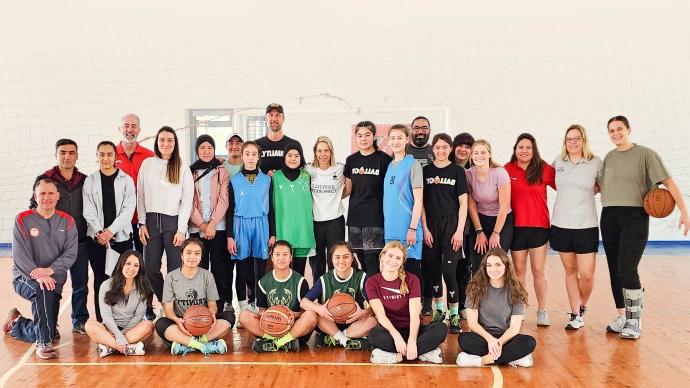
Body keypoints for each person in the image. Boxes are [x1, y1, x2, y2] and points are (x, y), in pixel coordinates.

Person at [599, 115, 689, 339]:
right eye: (611, 130)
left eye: (619, 129)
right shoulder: (609, 157)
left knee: (627, 267)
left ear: (629, 129)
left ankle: (635, 321)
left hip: (635, 216)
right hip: (609, 215)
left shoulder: (646, 154)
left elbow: (668, 182)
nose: (615, 133)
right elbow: (602, 187)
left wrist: (684, 212)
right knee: (614, 269)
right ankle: (623, 317)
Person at [4, 178, 77, 359]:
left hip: (54, 279)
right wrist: (38, 275)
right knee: (41, 288)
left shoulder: (67, 221)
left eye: (50, 193)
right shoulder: (22, 219)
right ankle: (43, 344)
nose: (46, 197)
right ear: (35, 196)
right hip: (25, 277)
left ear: (58, 196)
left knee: (50, 331)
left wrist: (50, 270)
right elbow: (20, 256)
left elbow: (70, 254)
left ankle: (16, 324)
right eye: (42, 193)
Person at [137, 126, 194, 313]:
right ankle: (165, 302)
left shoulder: (182, 166)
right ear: (157, 142)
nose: (166, 143)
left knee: (174, 271)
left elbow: (187, 200)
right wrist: (142, 223)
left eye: (170, 140)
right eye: (162, 139)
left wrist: (181, 229)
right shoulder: (147, 164)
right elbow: (141, 196)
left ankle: (174, 309)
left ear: (175, 143)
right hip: (151, 223)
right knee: (150, 268)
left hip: (173, 223)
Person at [35, 139, 89, 335]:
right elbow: (34, 208)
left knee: (80, 283)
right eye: (63, 152)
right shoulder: (45, 178)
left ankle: (80, 320)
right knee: (54, 285)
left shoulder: (84, 180)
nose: (67, 156)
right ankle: (52, 323)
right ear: (56, 154)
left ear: (77, 155)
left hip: (79, 241)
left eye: (71, 152)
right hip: (52, 245)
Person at [551, 125, 602, 330]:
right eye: (569, 139)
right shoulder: (558, 162)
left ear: (584, 140)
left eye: (577, 138)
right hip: (561, 225)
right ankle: (575, 313)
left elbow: (603, 186)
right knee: (570, 271)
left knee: (587, 274)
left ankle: (583, 305)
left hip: (586, 225)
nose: (572, 142)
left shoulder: (595, 162)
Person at [366, 241, 447, 364]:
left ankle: (396, 357)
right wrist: (396, 337)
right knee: (373, 335)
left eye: (398, 258)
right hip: (390, 331)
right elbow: (380, 315)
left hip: (413, 330)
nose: (393, 261)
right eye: (390, 256)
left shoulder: (412, 279)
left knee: (441, 328)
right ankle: (423, 353)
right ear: (382, 256)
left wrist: (412, 341)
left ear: (402, 261)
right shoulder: (372, 282)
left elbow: (414, 315)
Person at [504, 133, 556, 326]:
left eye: (528, 147)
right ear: (515, 150)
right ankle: (520, 308)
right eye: (520, 147)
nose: (524, 150)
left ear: (534, 150)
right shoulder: (507, 170)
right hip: (516, 227)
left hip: (539, 227)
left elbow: (567, 186)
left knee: (538, 270)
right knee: (518, 270)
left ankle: (542, 310)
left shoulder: (544, 169)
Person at [83, 141, 136, 322]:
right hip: (97, 241)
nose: (105, 158)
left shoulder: (126, 180)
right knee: (101, 280)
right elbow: (88, 211)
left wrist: (110, 231)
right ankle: (102, 320)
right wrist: (100, 233)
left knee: (122, 280)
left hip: (121, 240)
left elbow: (128, 211)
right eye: (102, 154)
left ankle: (121, 319)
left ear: (115, 157)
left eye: (109, 154)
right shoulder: (90, 181)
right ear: (97, 156)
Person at [456, 248, 536, 368]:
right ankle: (511, 358)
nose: (493, 269)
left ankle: (481, 360)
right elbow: (472, 323)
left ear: (506, 266)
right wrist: (490, 340)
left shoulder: (516, 290)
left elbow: (514, 327)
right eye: (489, 265)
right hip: (483, 337)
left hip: (506, 338)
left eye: (498, 265)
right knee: (464, 339)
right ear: (485, 267)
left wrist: (498, 343)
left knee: (529, 342)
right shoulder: (475, 287)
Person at [421, 133, 468, 333]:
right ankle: (439, 311)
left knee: (449, 273)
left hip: (451, 226)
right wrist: (424, 227)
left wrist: (459, 231)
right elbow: (420, 202)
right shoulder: (425, 171)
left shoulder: (458, 171)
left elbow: (464, 203)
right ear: (433, 149)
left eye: (444, 147)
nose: (441, 151)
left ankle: (454, 315)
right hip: (431, 226)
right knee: (433, 273)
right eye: (437, 147)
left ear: (450, 149)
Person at [154, 238, 232, 355]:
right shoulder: (171, 277)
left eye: (197, 253)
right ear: (181, 255)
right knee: (160, 324)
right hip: (181, 325)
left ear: (201, 256)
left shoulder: (207, 276)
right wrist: (177, 321)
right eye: (188, 252)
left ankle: (189, 344)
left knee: (230, 317)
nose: (192, 257)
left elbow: (212, 304)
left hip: (204, 324)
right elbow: (169, 310)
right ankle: (202, 345)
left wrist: (212, 316)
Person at [239, 240, 318, 352]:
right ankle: (277, 341)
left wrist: (291, 315)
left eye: (285, 254)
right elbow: (262, 311)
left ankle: (280, 341)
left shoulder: (300, 281)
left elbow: (304, 312)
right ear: (272, 257)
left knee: (312, 315)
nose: (281, 258)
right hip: (271, 326)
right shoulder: (263, 282)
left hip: (293, 327)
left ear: (291, 258)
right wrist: (273, 315)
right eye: (277, 254)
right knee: (244, 315)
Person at [301, 241, 377, 349]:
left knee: (373, 321)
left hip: (354, 323)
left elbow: (375, 306)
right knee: (316, 311)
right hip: (329, 323)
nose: (341, 261)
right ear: (331, 260)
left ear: (352, 258)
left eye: (346, 257)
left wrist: (363, 313)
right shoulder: (325, 279)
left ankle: (335, 338)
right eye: (337, 257)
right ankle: (346, 340)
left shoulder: (362, 278)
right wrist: (320, 309)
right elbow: (304, 302)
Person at [226, 141, 273, 312]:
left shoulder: (267, 180)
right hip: (240, 224)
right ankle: (244, 307)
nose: (251, 157)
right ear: (243, 156)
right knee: (242, 268)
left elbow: (272, 209)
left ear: (259, 156)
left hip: (261, 223)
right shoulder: (234, 180)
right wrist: (230, 236)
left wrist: (272, 233)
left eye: (254, 154)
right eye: (248, 154)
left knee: (260, 269)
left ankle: (258, 303)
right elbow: (229, 210)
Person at [188, 134, 232, 315]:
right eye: (202, 148)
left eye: (210, 148)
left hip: (218, 228)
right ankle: (200, 308)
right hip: (197, 230)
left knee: (220, 269)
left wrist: (212, 224)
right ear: (197, 151)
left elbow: (224, 198)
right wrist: (203, 226)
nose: (206, 152)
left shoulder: (221, 170)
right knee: (200, 269)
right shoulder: (190, 172)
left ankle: (219, 308)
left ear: (215, 150)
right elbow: (188, 201)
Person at [383, 124, 425, 309]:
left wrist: (413, 228)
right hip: (390, 231)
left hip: (409, 230)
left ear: (407, 139)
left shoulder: (413, 164)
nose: (396, 141)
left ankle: (415, 312)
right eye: (392, 138)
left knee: (411, 274)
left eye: (400, 137)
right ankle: (398, 311)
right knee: (393, 273)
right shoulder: (390, 166)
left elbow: (419, 200)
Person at [84, 250, 154, 357]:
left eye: (136, 265)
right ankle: (128, 348)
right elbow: (106, 315)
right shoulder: (106, 285)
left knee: (148, 326)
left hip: (131, 329)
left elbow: (138, 317)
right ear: (121, 264)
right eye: (128, 264)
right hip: (109, 328)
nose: (132, 268)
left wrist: (120, 336)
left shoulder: (143, 288)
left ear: (140, 269)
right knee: (89, 325)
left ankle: (110, 347)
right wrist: (117, 335)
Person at [344, 121, 392, 278]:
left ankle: (374, 300)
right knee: (360, 258)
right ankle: (366, 297)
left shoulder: (384, 160)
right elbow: (348, 189)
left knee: (373, 261)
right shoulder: (351, 160)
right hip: (355, 217)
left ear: (374, 136)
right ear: (355, 137)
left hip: (375, 217)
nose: (363, 138)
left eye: (367, 135)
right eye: (359, 135)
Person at [465, 140, 513, 273]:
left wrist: (496, 233)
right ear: (471, 155)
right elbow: (471, 204)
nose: (479, 155)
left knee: (496, 262)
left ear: (489, 154)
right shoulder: (468, 174)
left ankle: (499, 293)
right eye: (476, 152)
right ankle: (478, 294)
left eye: (483, 152)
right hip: (480, 219)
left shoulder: (500, 173)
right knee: (478, 265)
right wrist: (479, 231)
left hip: (501, 220)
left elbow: (504, 206)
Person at [305, 136, 349, 282]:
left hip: (335, 221)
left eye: (326, 150)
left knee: (335, 259)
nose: (322, 154)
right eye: (319, 151)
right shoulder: (308, 169)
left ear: (331, 152)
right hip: (315, 222)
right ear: (315, 152)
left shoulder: (340, 168)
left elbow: (348, 189)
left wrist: (335, 198)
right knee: (317, 261)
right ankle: (319, 295)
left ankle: (334, 292)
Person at [272, 143, 316, 276]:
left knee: (299, 272)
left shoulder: (306, 176)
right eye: (289, 155)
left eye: (297, 155)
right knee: (282, 272)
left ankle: (298, 296)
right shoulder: (275, 177)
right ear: (284, 157)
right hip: (283, 232)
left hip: (303, 232)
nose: (293, 158)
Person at [114, 113, 155, 253]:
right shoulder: (110, 155)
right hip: (119, 220)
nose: (129, 130)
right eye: (126, 126)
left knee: (145, 263)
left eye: (133, 126)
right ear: (119, 128)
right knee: (120, 264)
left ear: (139, 130)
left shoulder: (150, 156)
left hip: (144, 220)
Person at [451, 132, 475, 319]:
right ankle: (437, 304)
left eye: (468, 147)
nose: (463, 149)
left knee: (464, 266)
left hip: (468, 226)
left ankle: (462, 306)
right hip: (444, 224)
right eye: (461, 145)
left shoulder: (476, 168)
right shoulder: (445, 166)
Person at [255, 103, 301, 176]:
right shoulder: (256, 145)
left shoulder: (294, 144)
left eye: (277, 115)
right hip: (263, 187)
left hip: (287, 187)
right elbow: (250, 170)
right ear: (266, 119)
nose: (274, 119)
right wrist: (264, 177)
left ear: (283, 119)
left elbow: (300, 172)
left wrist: (281, 177)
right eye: (271, 115)